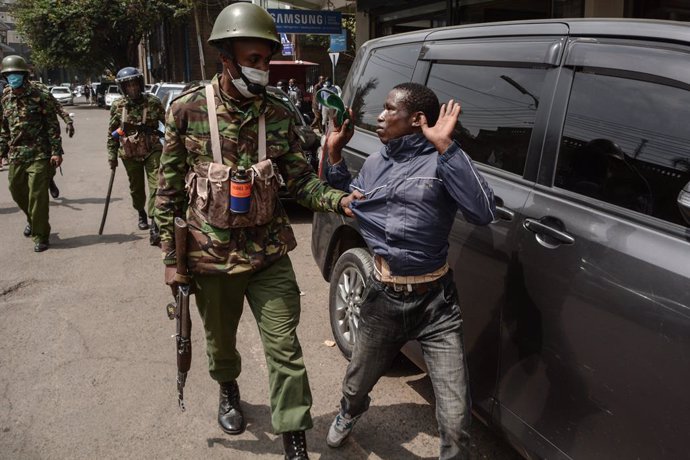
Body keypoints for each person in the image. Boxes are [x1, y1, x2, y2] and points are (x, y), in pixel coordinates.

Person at [155, 4, 359, 459]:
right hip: (209, 258)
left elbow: (300, 181)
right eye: (254, 60)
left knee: (286, 349)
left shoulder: (279, 113)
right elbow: (166, 193)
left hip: (268, 255)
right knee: (220, 343)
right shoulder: (187, 110)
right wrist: (172, 260)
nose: (262, 69)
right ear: (225, 58)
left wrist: (339, 200)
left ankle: (294, 442)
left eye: (267, 60)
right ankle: (228, 388)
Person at [322, 82, 496, 460]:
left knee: (455, 419)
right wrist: (333, 155)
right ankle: (349, 413)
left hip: (437, 306)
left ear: (417, 119)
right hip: (383, 299)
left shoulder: (442, 162)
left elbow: (483, 212)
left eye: (389, 110)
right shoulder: (375, 162)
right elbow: (352, 200)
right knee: (356, 385)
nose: (380, 116)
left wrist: (447, 146)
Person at [0, 55, 65, 252]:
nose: (13, 78)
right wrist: (1, 151)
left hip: (39, 153)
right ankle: (33, 220)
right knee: (16, 190)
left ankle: (41, 235)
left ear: (24, 75)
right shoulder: (5, 97)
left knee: (37, 195)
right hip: (17, 154)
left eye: (16, 74)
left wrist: (56, 151)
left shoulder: (39, 95)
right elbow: (4, 128)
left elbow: (52, 125)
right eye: (9, 75)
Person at [106, 66, 165, 245]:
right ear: (123, 88)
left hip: (152, 149)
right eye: (128, 86)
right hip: (129, 153)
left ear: (140, 84)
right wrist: (112, 156)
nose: (132, 89)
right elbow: (112, 133)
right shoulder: (118, 106)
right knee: (136, 188)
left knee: (157, 185)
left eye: (134, 84)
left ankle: (155, 222)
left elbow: (169, 123)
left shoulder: (153, 102)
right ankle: (140, 211)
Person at [32, 79, 75, 199]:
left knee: (49, 162)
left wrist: (68, 122)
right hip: (24, 138)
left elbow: (58, 107)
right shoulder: (12, 93)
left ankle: (50, 179)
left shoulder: (41, 92)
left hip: (44, 134)